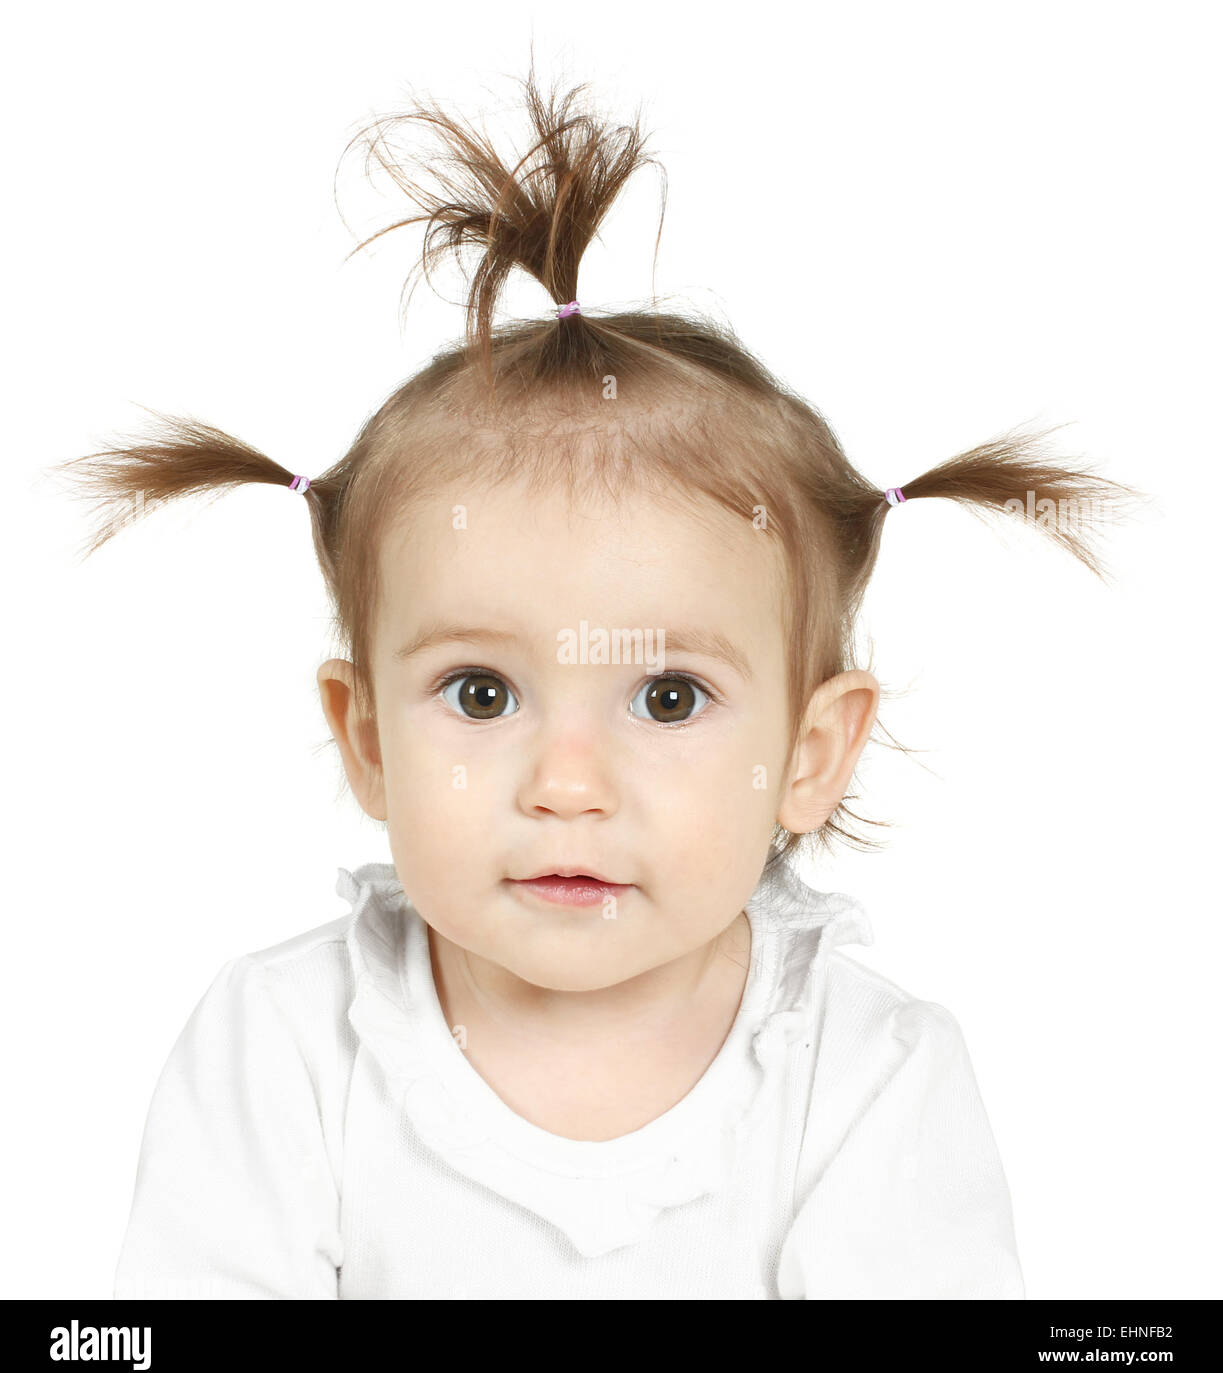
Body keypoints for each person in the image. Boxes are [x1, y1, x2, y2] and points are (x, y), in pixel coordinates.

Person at [52, 66, 1137, 1299]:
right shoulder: (286, 1047)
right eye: (479, 693)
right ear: (363, 738)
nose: (567, 785)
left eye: (666, 698)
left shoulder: (864, 1074)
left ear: (810, 754)